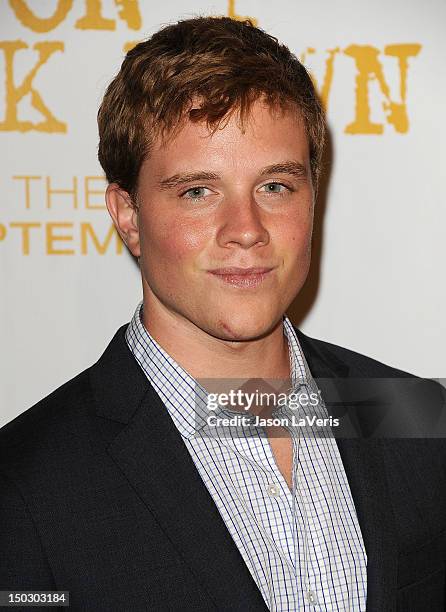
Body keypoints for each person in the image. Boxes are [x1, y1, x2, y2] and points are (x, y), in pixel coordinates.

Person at [1, 16, 445, 612]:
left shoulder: (418, 418)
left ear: (314, 194)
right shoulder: (24, 487)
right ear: (128, 215)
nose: (246, 231)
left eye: (276, 187)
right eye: (198, 192)